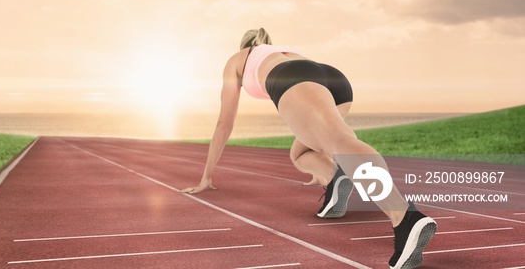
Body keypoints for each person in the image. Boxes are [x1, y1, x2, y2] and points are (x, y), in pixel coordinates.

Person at [181, 28, 437, 269]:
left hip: (293, 79)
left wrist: (207, 175)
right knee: (303, 152)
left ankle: (404, 217)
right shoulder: (281, 50)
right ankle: (333, 177)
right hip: (332, 78)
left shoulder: (238, 59)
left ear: (244, 45)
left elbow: (225, 122)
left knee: (340, 143)